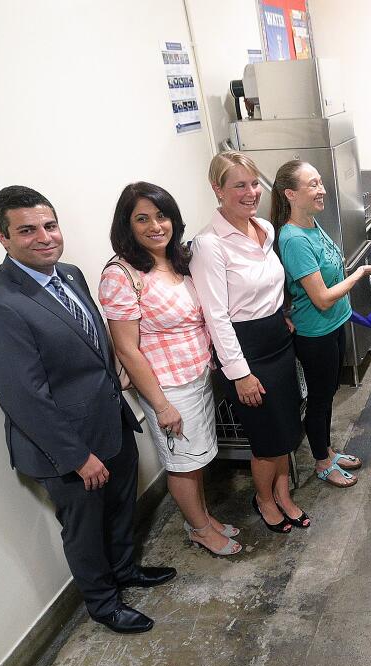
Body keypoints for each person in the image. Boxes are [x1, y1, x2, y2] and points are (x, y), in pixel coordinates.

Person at [0, 186, 175, 634]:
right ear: (2, 237)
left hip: (111, 423)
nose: (44, 237)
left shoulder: (72, 274)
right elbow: (24, 398)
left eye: (49, 225)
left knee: (121, 507)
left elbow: (93, 346)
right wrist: (77, 457)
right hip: (65, 449)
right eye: (26, 230)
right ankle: (104, 605)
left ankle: (125, 571)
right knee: (83, 530)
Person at [99, 182, 241, 557]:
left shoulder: (177, 258)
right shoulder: (121, 274)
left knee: (196, 459)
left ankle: (204, 518)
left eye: (161, 216)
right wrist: (161, 405)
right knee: (181, 464)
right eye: (141, 219)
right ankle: (199, 529)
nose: (154, 226)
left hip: (196, 374)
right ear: (126, 226)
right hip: (167, 387)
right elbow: (127, 350)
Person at [191, 151, 307, 534]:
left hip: (276, 339)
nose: (251, 192)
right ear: (217, 190)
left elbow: (268, 286)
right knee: (266, 438)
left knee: (288, 427)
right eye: (239, 185)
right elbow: (216, 315)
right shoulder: (209, 245)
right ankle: (264, 499)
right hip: (246, 350)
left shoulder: (264, 229)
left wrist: (283, 316)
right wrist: (239, 374)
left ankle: (284, 495)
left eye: (254, 183)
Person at [270, 159, 371, 487]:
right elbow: (321, 297)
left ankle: (326, 450)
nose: (322, 190)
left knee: (329, 391)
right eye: (313, 185)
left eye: (320, 182)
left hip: (335, 323)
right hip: (315, 333)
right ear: (290, 194)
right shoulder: (294, 239)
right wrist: (361, 273)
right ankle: (323, 462)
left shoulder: (312, 224)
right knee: (320, 398)